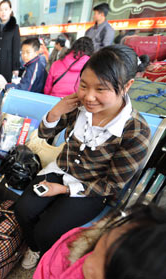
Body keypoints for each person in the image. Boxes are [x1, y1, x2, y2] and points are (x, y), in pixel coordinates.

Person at [15, 45, 151, 270]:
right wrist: (57, 109)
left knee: (46, 230)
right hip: (61, 170)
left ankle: (51, 261)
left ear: (127, 86)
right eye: (84, 85)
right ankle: (36, 248)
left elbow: (112, 185)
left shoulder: (136, 131)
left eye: (101, 89)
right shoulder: (79, 107)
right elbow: (45, 134)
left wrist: (64, 190)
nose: (89, 97)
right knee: (22, 209)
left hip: (92, 189)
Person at [34, 204, 166, 279]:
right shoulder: (75, 241)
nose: (89, 264)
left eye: (108, 269)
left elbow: (111, 184)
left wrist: (69, 189)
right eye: (98, 249)